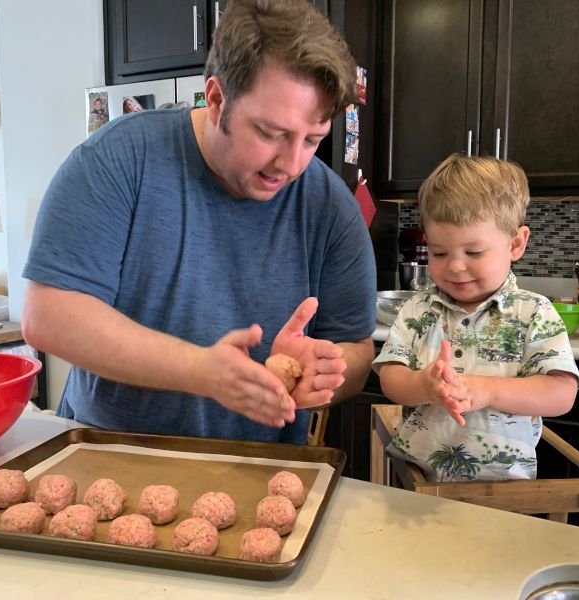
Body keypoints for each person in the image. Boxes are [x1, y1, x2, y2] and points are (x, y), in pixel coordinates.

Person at [21, 0, 376, 444]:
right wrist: (202, 371)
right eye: (270, 133)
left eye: (312, 140)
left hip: (261, 474)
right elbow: (46, 315)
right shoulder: (120, 158)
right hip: (109, 453)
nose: (291, 163)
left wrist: (323, 371)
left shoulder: (330, 206)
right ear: (215, 99)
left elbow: (358, 353)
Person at [374, 154, 579, 481]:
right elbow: (390, 378)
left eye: (473, 252)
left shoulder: (534, 312)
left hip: (506, 494)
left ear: (516, 244)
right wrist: (423, 385)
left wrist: (486, 390)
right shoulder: (417, 309)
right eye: (439, 252)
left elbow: (561, 394)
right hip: (418, 484)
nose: (455, 266)